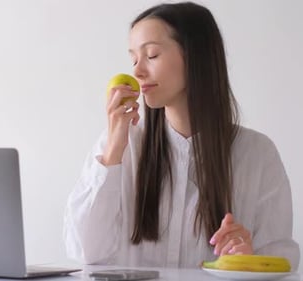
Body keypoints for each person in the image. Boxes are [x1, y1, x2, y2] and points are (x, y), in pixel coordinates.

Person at [63, 2, 300, 269]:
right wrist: (113, 153)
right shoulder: (118, 146)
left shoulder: (257, 154)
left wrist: (247, 260)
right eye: (134, 59)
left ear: (196, 57)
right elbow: (84, 252)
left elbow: (282, 261)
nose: (137, 71)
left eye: (151, 55)